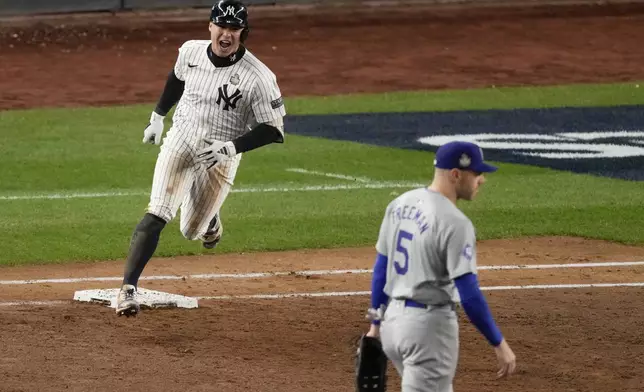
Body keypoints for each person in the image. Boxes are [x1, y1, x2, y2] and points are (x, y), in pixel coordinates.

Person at [115, 0, 286, 317]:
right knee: (158, 211)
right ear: (210, 26)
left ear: (243, 33)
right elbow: (176, 78)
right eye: (221, 25)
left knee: (191, 231)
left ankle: (210, 223)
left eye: (234, 28)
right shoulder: (191, 52)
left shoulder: (258, 77)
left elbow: (273, 129)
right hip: (181, 138)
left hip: (221, 153)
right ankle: (127, 290)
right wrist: (157, 116)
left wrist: (231, 148)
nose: (226, 34)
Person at [363, 141, 517, 391]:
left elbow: (381, 269)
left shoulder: (400, 204)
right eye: (477, 173)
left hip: (393, 325)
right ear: (456, 175)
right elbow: (469, 294)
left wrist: (375, 325)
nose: (482, 180)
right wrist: (498, 342)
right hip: (427, 331)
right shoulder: (456, 223)